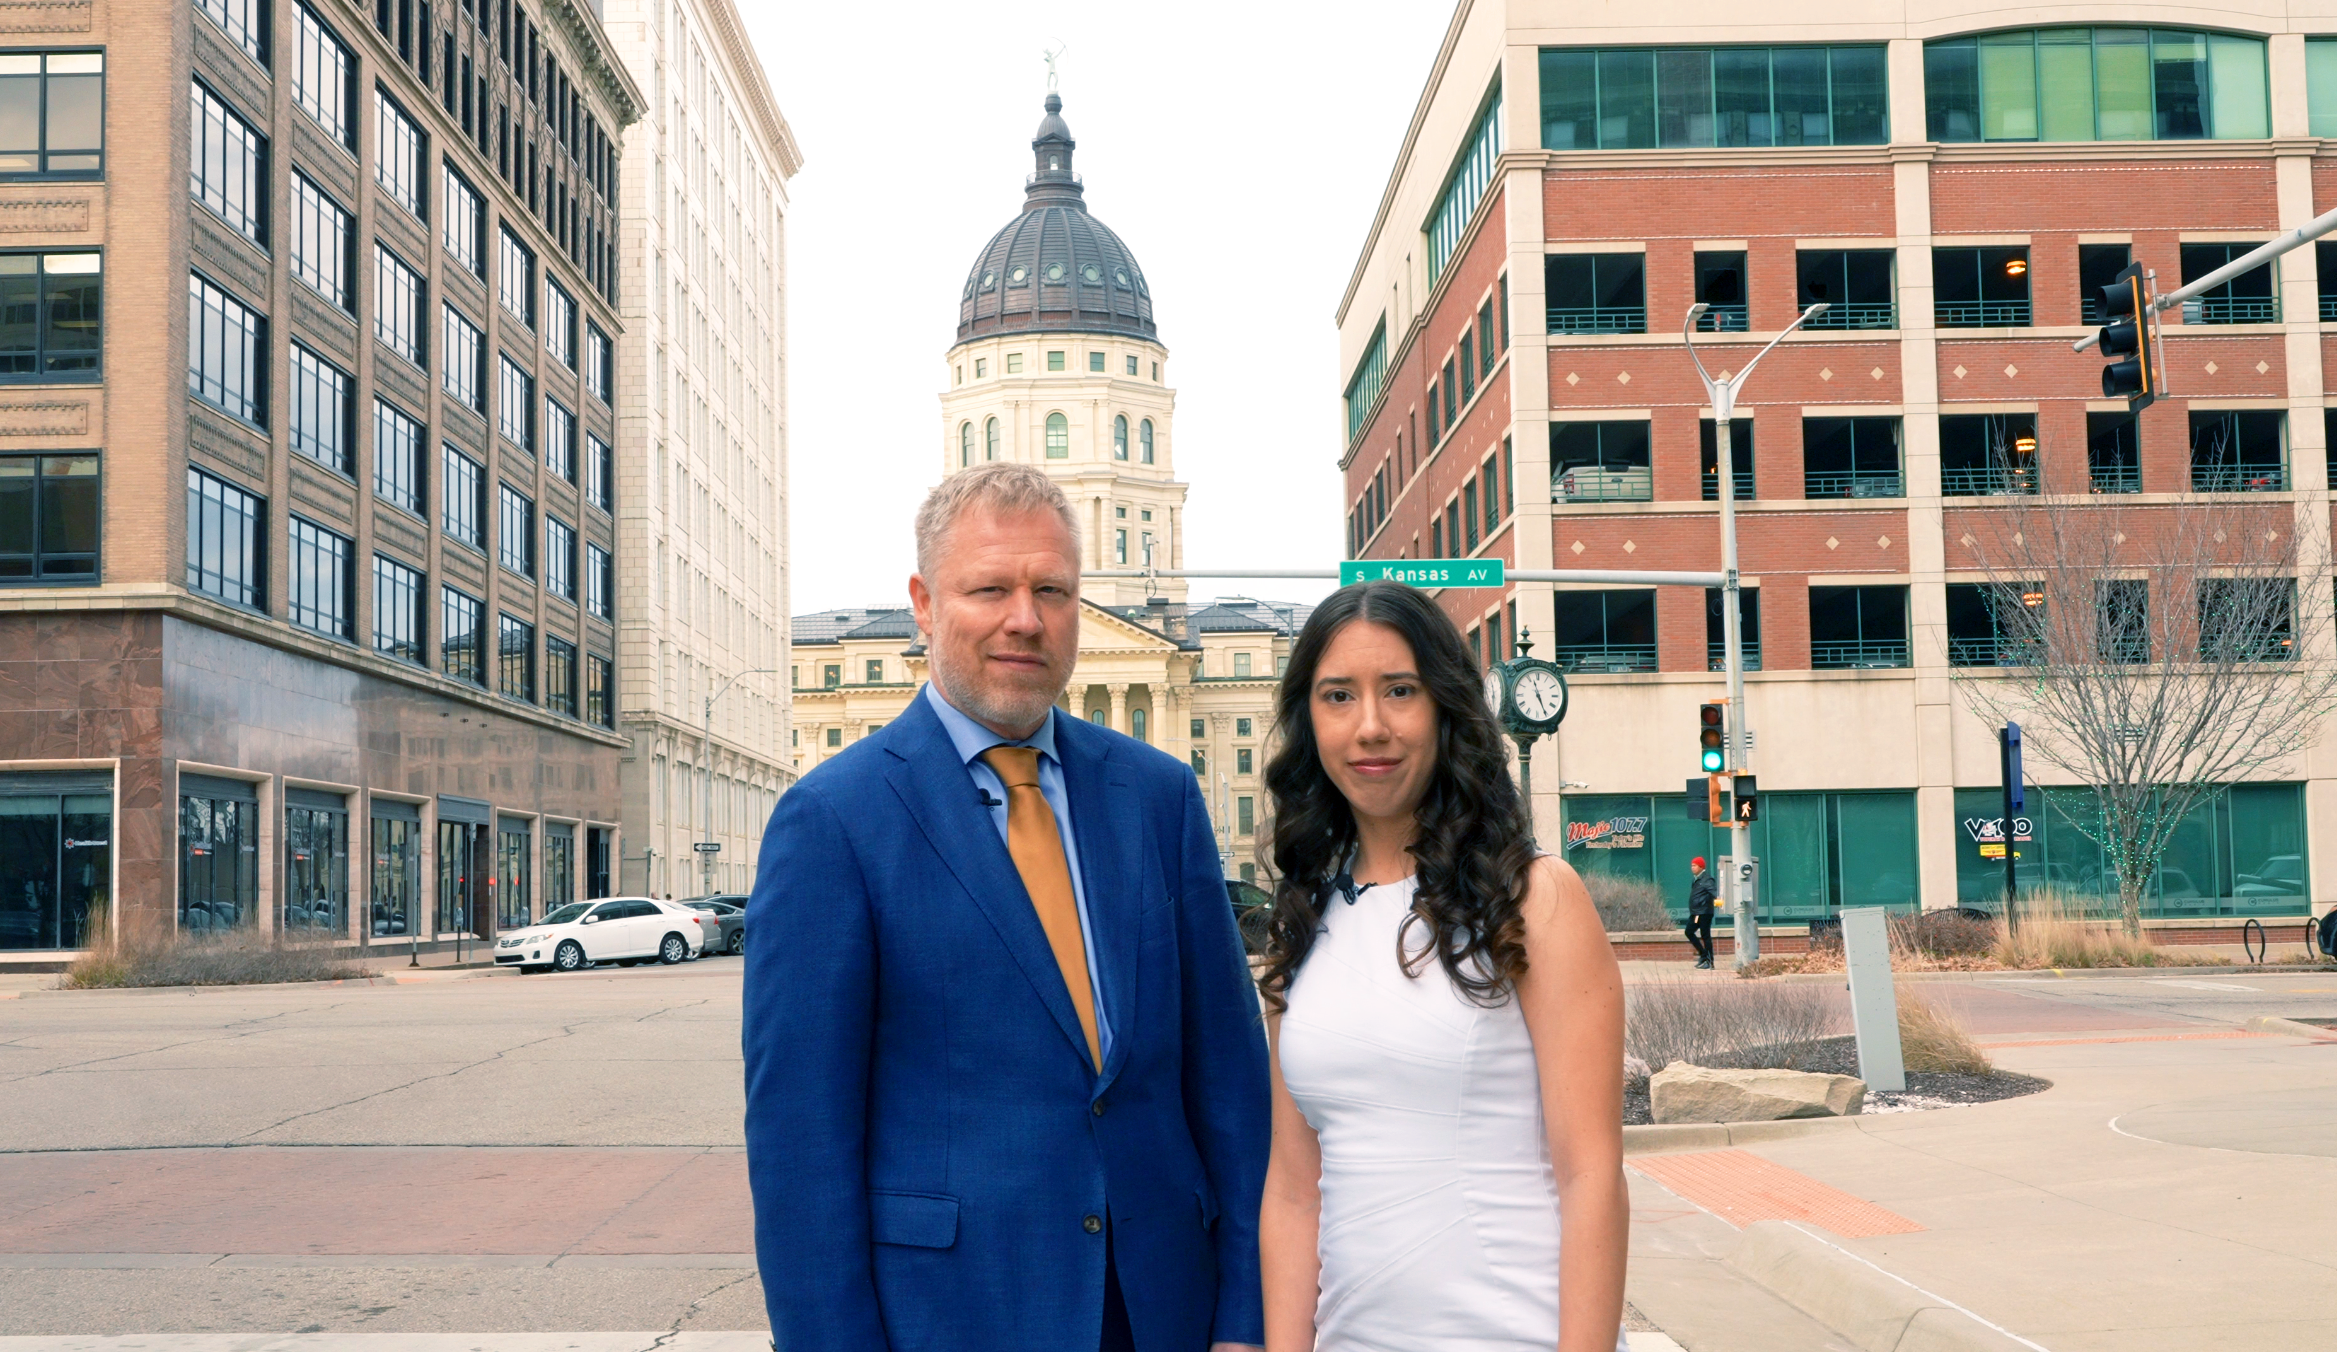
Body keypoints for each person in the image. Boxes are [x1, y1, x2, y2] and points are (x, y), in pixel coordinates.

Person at [743, 463, 1270, 1352]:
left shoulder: (1157, 796)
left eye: (1052, 590)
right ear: (923, 602)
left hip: (1164, 1306)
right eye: (989, 588)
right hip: (955, 1312)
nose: (1024, 618)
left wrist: (1248, 1317)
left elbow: (1229, 1084)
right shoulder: (833, 821)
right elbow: (801, 1147)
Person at [1255, 582, 1629, 1352]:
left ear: (1445, 709)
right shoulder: (1302, 921)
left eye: (1399, 691)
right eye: (1337, 697)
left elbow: (1590, 1175)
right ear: (1308, 721)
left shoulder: (1533, 899)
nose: (1370, 727)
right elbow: (1293, 1194)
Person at [1685, 857, 1718, 969]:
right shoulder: (1696, 879)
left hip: (1704, 912)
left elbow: (1714, 892)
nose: (1692, 868)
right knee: (1689, 932)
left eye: (1694, 866)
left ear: (1701, 867)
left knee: (1705, 936)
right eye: (1692, 865)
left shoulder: (1707, 879)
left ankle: (1709, 961)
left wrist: (1719, 900)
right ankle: (1703, 955)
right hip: (1696, 912)